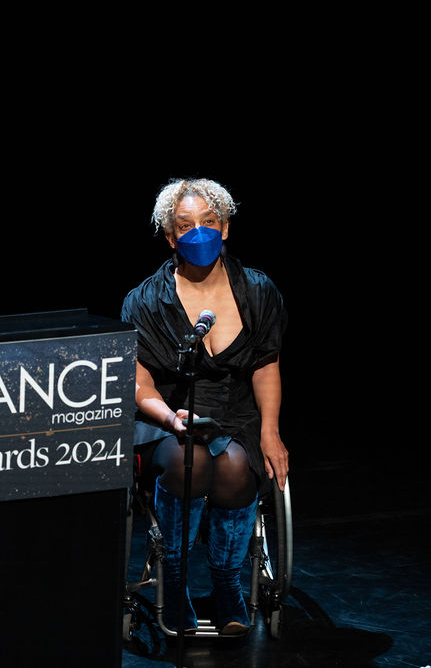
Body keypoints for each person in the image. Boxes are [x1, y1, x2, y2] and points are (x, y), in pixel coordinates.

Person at [120, 178, 290, 635]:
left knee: (235, 468)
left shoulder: (257, 291)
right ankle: (173, 585)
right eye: (185, 226)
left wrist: (270, 432)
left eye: (209, 222)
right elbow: (139, 382)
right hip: (167, 417)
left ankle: (227, 585)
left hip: (235, 415)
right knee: (189, 458)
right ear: (171, 236)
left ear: (226, 227)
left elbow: (265, 365)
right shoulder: (146, 302)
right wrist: (170, 417)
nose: (199, 233)